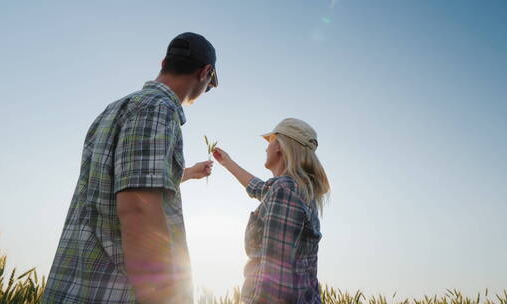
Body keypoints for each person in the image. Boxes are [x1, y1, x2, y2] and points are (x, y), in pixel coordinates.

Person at [42, 32, 218, 304]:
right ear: (206, 72)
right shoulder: (157, 109)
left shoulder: (116, 108)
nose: (207, 89)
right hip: (114, 291)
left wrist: (188, 173)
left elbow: (120, 183)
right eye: (211, 83)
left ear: (164, 62)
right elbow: (138, 208)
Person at [213, 118, 330, 304]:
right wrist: (228, 163)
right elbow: (259, 188)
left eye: (270, 142)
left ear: (279, 146)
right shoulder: (296, 190)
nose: (265, 148)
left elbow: (276, 282)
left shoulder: (285, 190)